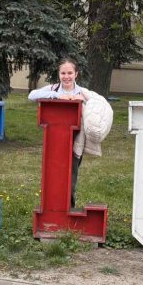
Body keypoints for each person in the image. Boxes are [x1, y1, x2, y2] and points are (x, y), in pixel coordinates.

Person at [28, 58, 90, 208]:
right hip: (55, 139)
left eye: (70, 73)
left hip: (75, 141)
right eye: (63, 73)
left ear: (76, 74)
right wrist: (57, 96)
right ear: (59, 74)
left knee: (71, 173)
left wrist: (83, 100)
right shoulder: (53, 89)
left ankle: (69, 207)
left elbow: (97, 106)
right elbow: (32, 95)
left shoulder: (83, 92)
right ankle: (53, 206)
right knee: (54, 173)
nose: (66, 76)